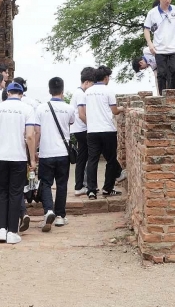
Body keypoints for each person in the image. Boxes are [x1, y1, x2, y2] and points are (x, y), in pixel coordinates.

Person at [0, 82, 36, 245]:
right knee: (16, 193)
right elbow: (30, 136)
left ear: (8, 93)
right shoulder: (27, 109)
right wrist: (33, 159)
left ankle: (1, 229)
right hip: (18, 156)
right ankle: (12, 232)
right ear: (21, 94)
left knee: (1, 193)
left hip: (0, 155)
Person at [33, 77, 75, 231]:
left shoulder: (41, 108)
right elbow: (71, 123)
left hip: (46, 152)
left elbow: (37, 132)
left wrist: (34, 151)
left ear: (49, 90)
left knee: (46, 183)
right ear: (62, 91)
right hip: (63, 153)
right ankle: (60, 216)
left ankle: (48, 210)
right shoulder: (69, 108)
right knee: (62, 184)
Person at [81, 65, 125, 200]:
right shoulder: (108, 91)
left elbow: (84, 111)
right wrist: (122, 108)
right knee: (111, 160)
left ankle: (91, 190)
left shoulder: (87, 92)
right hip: (107, 130)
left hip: (92, 131)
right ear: (106, 78)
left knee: (92, 159)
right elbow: (114, 111)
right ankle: (107, 188)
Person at [144, 0, 175, 93]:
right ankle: (162, 98)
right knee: (162, 74)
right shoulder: (152, 13)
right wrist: (150, 44)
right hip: (160, 49)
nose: (168, 0)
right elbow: (146, 29)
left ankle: (173, 94)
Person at [70, 67, 94, 196]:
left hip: (78, 129)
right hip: (82, 129)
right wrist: (91, 126)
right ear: (86, 82)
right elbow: (81, 114)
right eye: (91, 84)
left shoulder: (77, 93)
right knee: (87, 157)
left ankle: (81, 185)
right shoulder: (81, 94)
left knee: (82, 158)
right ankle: (81, 185)